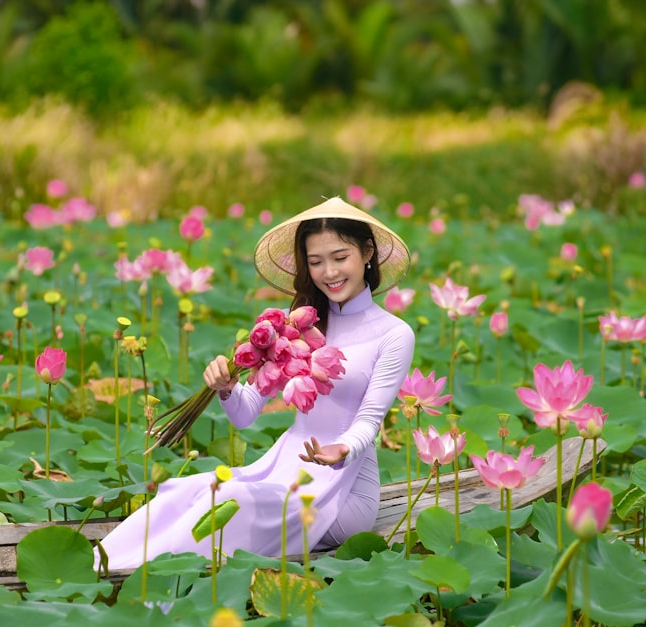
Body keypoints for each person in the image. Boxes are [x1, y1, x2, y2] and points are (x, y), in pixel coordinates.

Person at [97, 197, 415, 571]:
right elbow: (246, 414)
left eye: (340, 257)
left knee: (232, 498)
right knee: (187, 489)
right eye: (315, 262)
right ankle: (106, 570)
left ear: (367, 253)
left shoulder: (393, 334)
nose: (329, 271)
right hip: (285, 469)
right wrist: (226, 388)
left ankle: (158, 580)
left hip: (343, 490)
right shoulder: (295, 326)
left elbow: (370, 419)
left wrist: (342, 447)